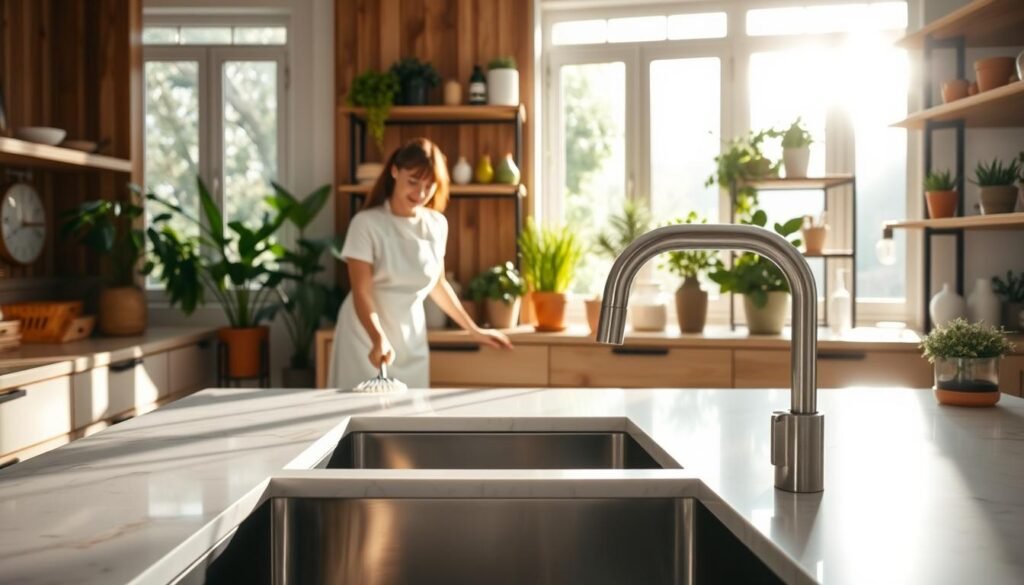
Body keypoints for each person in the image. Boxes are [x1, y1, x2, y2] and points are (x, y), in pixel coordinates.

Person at [329, 138, 512, 390]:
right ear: (395, 171)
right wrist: (377, 337)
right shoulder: (366, 224)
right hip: (365, 337)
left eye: (429, 186)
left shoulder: (436, 224)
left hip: (411, 341)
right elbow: (362, 292)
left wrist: (474, 330)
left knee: (411, 411)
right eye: (413, 181)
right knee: (362, 410)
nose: (421, 194)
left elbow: (438, 284)